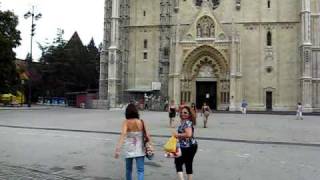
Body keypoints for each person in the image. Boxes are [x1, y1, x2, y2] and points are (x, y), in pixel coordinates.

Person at [114, 103, 151, 180]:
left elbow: (123, 135)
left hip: (129, 149)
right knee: (140, 171)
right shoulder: (141, 122)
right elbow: (148, 136)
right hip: (140, 149)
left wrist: (118, 149)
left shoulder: (126, 122)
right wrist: (150, 146)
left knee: (128, 170)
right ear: (136, 111)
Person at [173, 106, 198, 180]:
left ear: (189, 114)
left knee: (178, 163)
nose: (183, 114)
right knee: (188, 164)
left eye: (185, 112)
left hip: (186, 147)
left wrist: (177, 135)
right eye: (181, 112)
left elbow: (189, 134)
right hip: (191, 146)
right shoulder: (186, 121)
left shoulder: (187, 122)